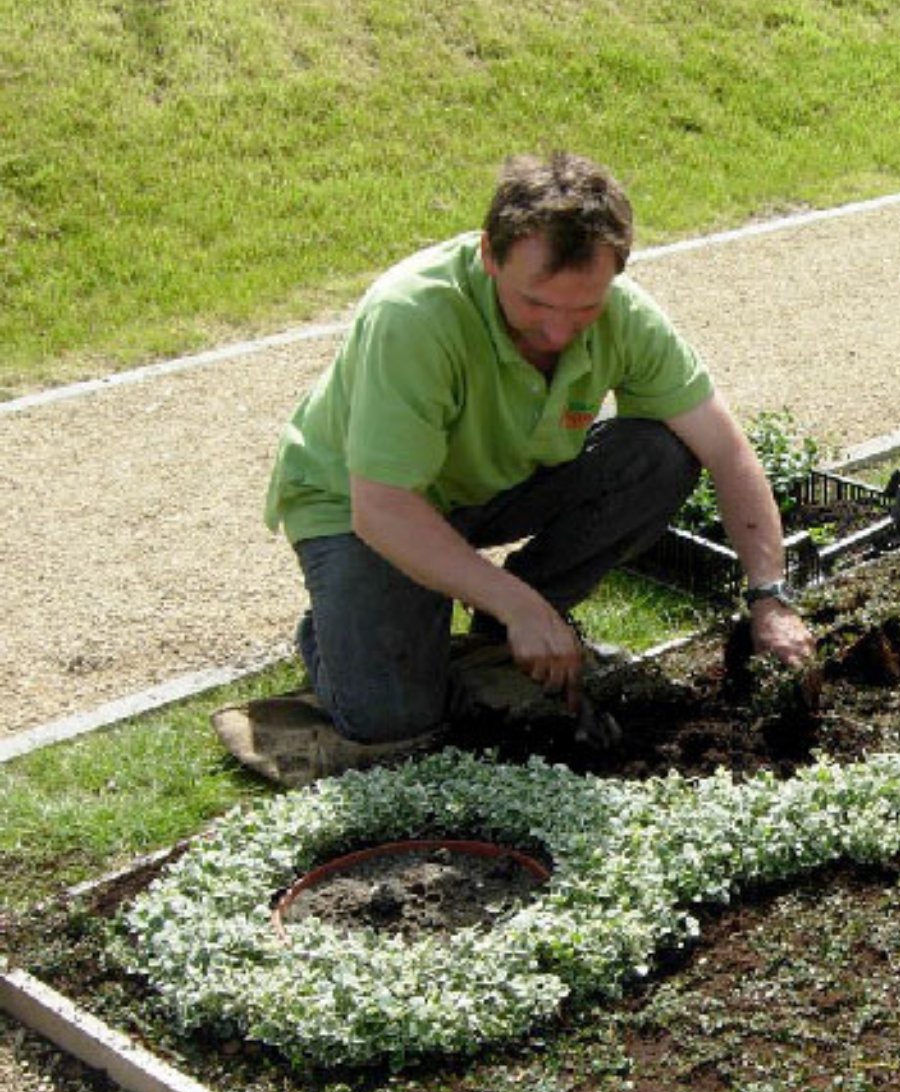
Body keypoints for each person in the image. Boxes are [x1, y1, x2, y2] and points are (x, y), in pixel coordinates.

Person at [253, 151, 812, 770]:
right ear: (491, 255)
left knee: (661, 453)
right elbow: (382, 507)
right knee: (391, 719)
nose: (558, 332)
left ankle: (498, 633)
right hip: (362, 506)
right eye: (537, 305)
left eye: (584, 309)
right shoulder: (412, 316)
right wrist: (517, 602)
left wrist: (769, 597)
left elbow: (726, 451)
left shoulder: (625, 315)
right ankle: (336, 634)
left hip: (490, 485)